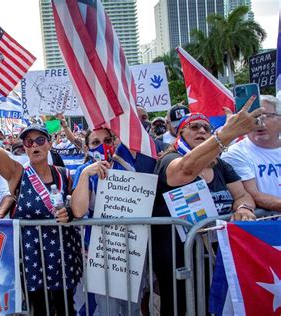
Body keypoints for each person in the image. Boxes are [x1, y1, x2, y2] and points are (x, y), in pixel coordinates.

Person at [0, 81, 82, 316]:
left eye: (40, 140)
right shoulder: (17, 173)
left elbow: (77, 208)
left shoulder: (64, 175)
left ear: (49, 144)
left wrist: (70, 212)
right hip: (33, 260)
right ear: (25, 148)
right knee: (39, 310)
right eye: (28, 143)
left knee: (66, 310)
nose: (34, 146)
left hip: (62, 256)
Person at [152, 99, 262, 315]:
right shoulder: (170, 159)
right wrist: (226, 135)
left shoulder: (220, 164)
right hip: (179, 259)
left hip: (217, 256)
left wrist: (244, 209)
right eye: (193, 127)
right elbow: (184, 171)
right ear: (179, 134)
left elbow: (242, 195)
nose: (201, 130)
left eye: (206, 128)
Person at [71, 128, 165, 315]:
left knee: (133, 305)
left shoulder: (126, 164)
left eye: (107, 140)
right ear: (88, 148)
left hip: (131, 249)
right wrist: (84, 176)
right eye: (96, 143)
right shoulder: (85, 171)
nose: (103, 146)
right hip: (101, 251)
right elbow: (78, 210)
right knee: (107, 307)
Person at [222, 95, 281, 211]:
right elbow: (254, 195)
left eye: (265, 116)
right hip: (267, 227)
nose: (259, 122)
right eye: (252, 117)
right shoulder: (234, 153)